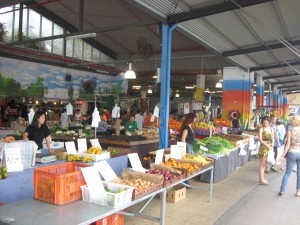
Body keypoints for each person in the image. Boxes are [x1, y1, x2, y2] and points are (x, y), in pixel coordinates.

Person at [278, 116, 300, 196]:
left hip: (291, 152)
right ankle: (298, 191)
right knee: (299, 173)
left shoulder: (289, 131)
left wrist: (282, 155)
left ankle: (282, 190)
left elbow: (287, 145)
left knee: (287, 172)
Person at [258, 116, 274, 185]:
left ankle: (262, 178)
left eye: (266, 122)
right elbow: (260, 139)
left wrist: (272, 144)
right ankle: (261, 179)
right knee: (262, 164)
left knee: (265, 164)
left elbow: (272, 138)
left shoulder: (271, 129)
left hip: (270, 148)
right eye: (264, 122)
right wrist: (267, 145)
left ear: (269, 122)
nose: (265, 123)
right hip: (264, 147)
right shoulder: (261, 129)